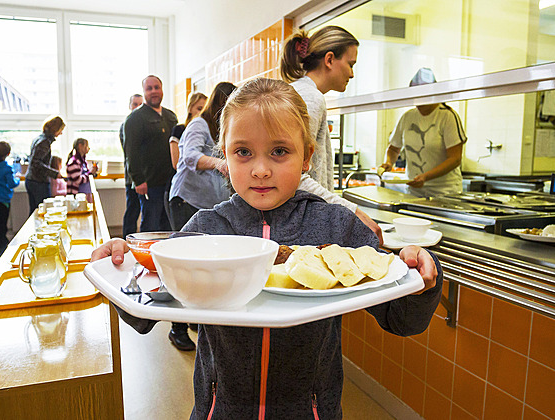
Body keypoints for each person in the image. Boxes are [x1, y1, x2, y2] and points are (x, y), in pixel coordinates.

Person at [91, 78, 442, 418]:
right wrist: (124, 268)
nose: (260, 170)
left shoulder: (339, 228)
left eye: (279, 151)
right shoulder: (204, 230)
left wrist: (422, 277)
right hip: (219, 411)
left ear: (306, 157)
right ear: (224, 157)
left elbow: (402, 319)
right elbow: (142, 314)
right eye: (243, 152)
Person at [280, 26, 383, 243]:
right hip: (303, 221)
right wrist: (353, 212)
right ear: (329, 60)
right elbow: (292, 175)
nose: (352, 74)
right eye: (350, 64)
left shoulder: (304, 93)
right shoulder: (309, 98)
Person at [166, 83, 234, 351]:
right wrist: (219, 163)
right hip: (186, 200)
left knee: (202, 266)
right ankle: (177, 328)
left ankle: (192, 317)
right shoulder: (199, 124)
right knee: (183, 265)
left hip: (205, 204)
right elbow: (190, 156)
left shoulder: (220, 131)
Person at [379, 68, 467, 197]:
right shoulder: (407, 117)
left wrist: (426, 177)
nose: (417, 100)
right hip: (413, 192)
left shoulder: (447, 116)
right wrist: (388, 162)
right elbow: (393, 148)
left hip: (445, 193)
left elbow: (455, 159)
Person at [123, 76, 177, 232]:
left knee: (168, 227)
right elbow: (131, 152)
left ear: (162, 89)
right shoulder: (135, 119)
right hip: (149, 184)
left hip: (170, 182)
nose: (154, 91)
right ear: (144, 92)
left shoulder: (170, 116)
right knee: (151, 227)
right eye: (149, 88)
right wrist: (138, 180)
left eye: (156, 87)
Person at [25, 116, 65, 215]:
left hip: (31, 180)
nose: (61, 133)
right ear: (56, 129)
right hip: (38, 182)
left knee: (35, 212)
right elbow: (36, 163)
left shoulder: (39, 138)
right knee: (43, 212)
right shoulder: (44, 142)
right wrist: (55, 174)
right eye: (61, 130)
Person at [120, 94, 144, 238]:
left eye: (140, 104)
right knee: (132, 211)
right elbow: (132, 153)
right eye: (135, 104)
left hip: (144, 178)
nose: (137, 107)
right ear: (130, 106)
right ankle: (125, 243)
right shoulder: (127, 125)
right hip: (132, 178)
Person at [169, 92, 207, 169]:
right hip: (185, 176)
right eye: (199, 109)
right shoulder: (179, 129)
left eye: (205, 110)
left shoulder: (207, 131)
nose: (202, 113)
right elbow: (176, 163)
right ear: (190, 109)